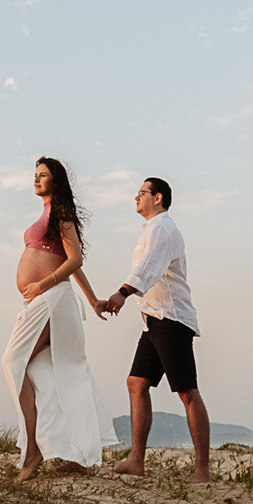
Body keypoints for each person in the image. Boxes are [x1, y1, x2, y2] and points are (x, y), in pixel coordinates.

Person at [2, 156, 116, 481]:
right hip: (45, 300)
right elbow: (70, 261)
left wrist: (41, 284)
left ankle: (33, 451)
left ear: (57, 180)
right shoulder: (47, 213)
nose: (35, 180)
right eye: (34, 175)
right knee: (46, 373)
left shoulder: (61, 210)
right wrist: (92, 300)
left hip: (50, 300)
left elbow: (75, 258)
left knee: (12, 362)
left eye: (42, 175)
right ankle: (72, 450)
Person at [104, 176, 211, 484]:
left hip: (172, 319)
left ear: (158, 198)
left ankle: (202, 470)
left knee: (187, 392)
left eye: (142, 193)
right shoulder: (151, 229)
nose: (136, 197)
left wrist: (121, 294)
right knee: (136, 383)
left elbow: (148, 269)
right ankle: (136, 460)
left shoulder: (163, 228)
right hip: (153, 319)